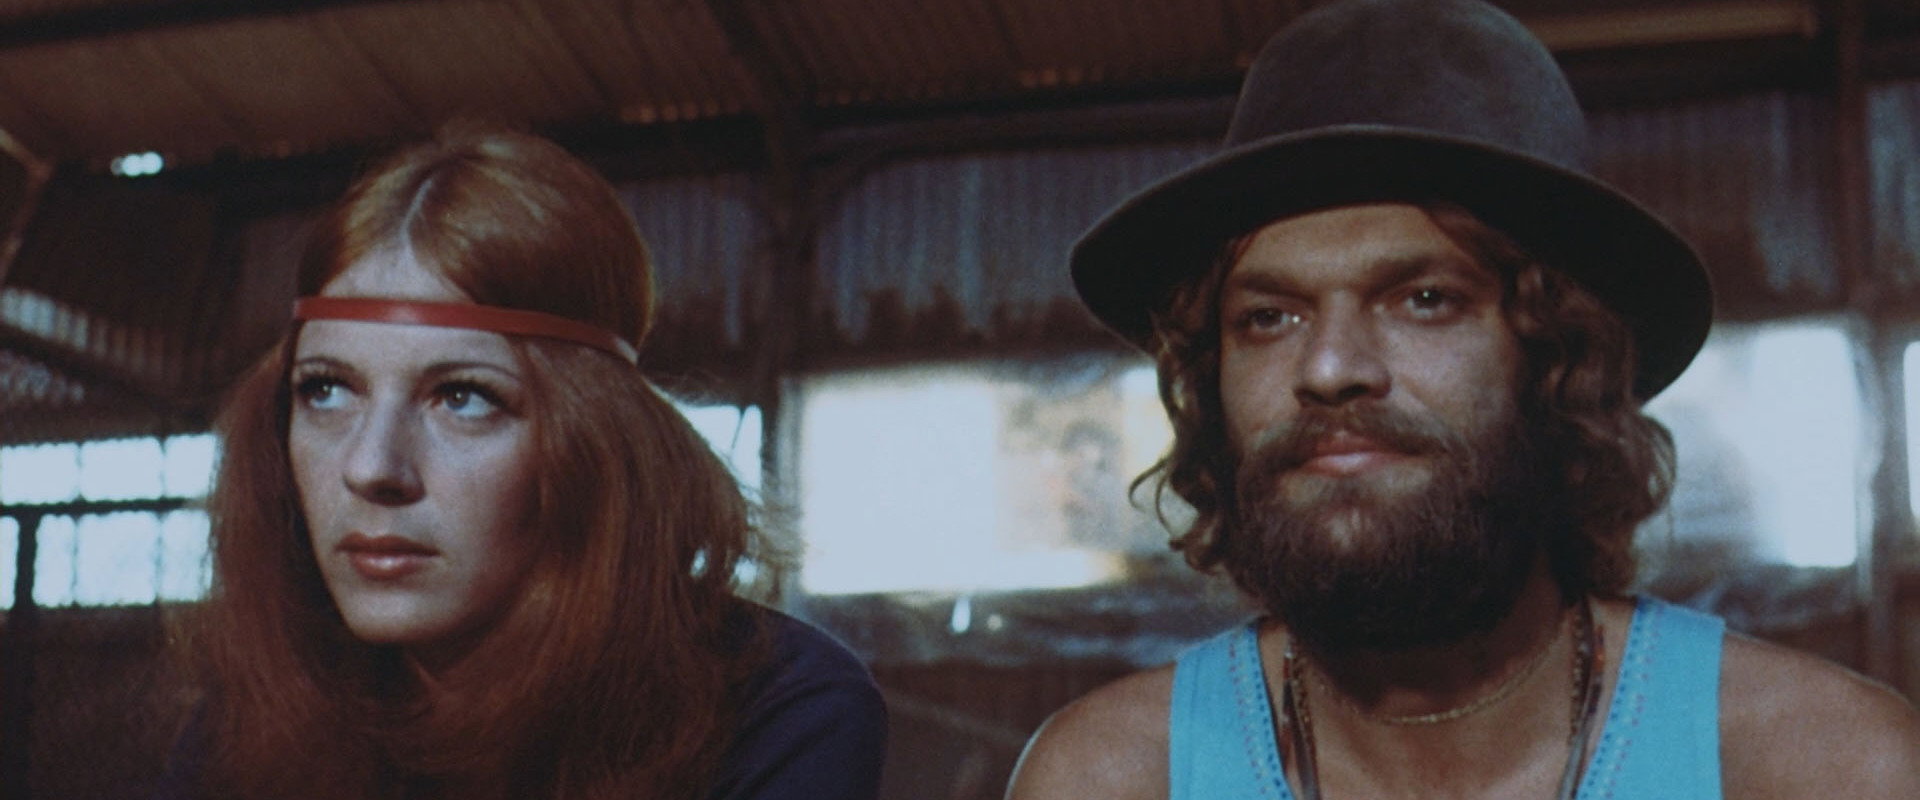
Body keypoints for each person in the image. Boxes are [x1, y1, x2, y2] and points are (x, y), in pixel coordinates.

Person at [1006, 1, 1920, 798]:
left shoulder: (1817, 767)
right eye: (1269, 317)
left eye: (1424, 299)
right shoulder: (1113, 778)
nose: (1329, 368)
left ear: (1560, 359)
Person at [158, 128, 886, 800]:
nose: (371, 467)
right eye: (325, 390)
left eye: (463, 397)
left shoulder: (777, 708)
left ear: (597, 446)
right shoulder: (257, 720)